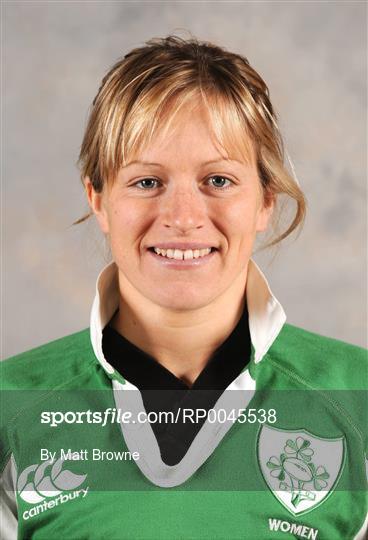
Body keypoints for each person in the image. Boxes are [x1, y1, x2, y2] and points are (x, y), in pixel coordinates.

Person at [1, 35, 366, 540]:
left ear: (265, 200)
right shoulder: (11, 404)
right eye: (147, 182)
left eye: (217, 181)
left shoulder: (355, 396)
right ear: (99, 198)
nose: (183, 218)